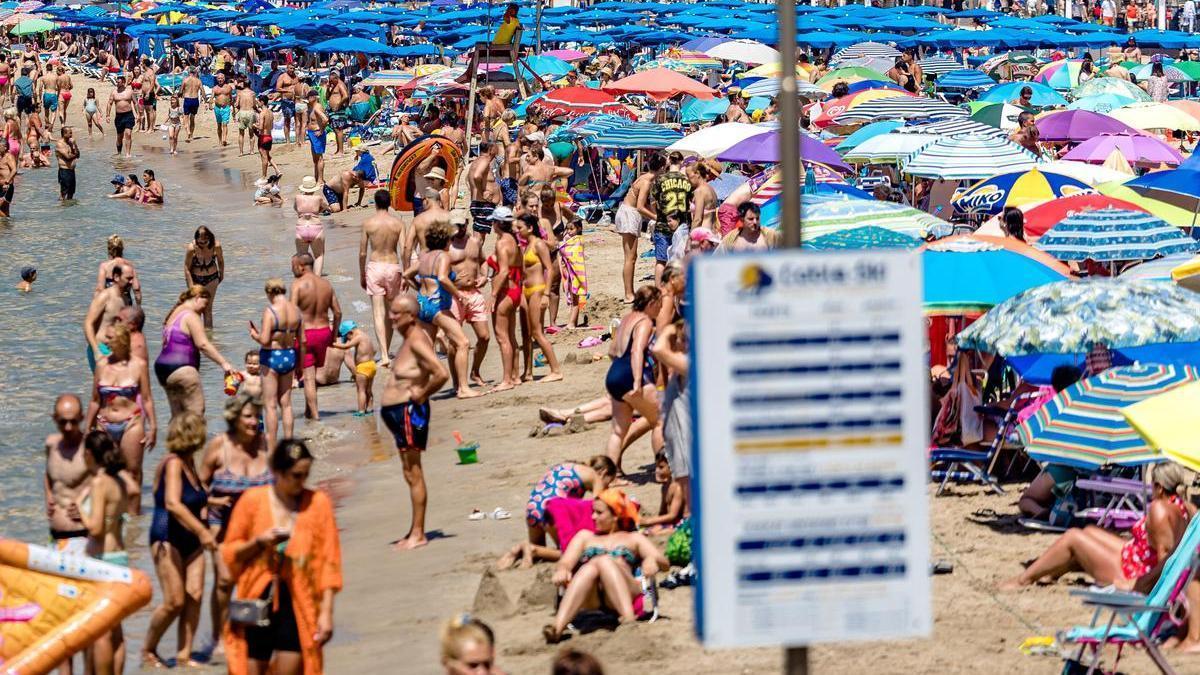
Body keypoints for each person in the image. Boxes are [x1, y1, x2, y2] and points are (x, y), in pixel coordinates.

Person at [220, 439, 341, 675]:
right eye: (296, 475)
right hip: (256, 598)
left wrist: (326, 613)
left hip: (298, 601)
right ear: (277, 471)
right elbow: (229, 552)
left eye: (305, 475)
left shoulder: (317, 504)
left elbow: (329, 561)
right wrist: (259, 542)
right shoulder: (252, 502)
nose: (302, 482)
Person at [1002, 463, 1193, 591]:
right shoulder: (1186, 505)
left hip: (1136, 575)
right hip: (1138, 557)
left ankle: (1023, 580)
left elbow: (1167, 561)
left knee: (1074, 537)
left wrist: (1136, 585)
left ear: (1159, 487)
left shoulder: (1160, 510)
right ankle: (1050, 572)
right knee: (1091, 532)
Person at [199, 393, 272, 659]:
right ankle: (219, 636)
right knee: (224, 582)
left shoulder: (265, 444)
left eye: (257, 416)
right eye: (248, 416)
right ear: (234, 418)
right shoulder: (219, 446)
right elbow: (197, 489)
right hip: (223, 526)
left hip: (259, 528)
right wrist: (207, 512)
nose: (255, 422)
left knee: (257, 583)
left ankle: (250, 632)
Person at [543, 489, 668, 643]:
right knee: (593, 565)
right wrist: (562, 570)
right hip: (592, 595)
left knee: (602, 561)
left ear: (615, 515)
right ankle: (557, 628)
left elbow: (665, 564)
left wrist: (651, 559)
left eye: (599, 513)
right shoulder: (584, 536)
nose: (592, 517)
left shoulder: (633, 538)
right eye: (593, 512)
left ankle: (628, 619)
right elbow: (566, 561)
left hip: (626, 590)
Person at [142, 412, 215, 670]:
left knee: (194, 595)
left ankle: (184, 655)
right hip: (167, 535)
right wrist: (204, 532)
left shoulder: (189, 462)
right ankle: (148, 649)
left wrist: (214, 504)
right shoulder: (172, 463)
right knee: (174, 601)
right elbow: (173, 503)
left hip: (191, 537)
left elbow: (196, 497)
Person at [380, 294, 449, 550]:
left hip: (409, 412)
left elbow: (441, 373)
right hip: (400, 414)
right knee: (409, 473)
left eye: (396, 313)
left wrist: (422, 393)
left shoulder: (418, 340)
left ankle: (419, 534)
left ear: (410, 316)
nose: (391, 317)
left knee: (414, 473)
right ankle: (414, 530)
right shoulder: (409, 340)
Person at [406, 220, 482, 398]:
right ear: (446, 239)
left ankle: (418, 388)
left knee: (428, 347)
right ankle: (463, 388)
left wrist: (420, 289)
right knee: (462, 343)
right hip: (437, 305)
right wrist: (460, 295)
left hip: (423, 303)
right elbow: (442, 277)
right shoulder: (443, 256)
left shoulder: (424, 257)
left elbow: (406, 275)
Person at [85, 323, 155, 514]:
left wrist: (153, 427)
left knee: (132, 472)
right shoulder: (101, 365)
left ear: (122, 340)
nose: (105, 341)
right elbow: (94, 400)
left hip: (131, 423)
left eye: (109, 338)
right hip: (104, 423)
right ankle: (109, 516)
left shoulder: (138, 365)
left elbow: (147, 399)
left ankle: (133, 520)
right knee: (103, 472)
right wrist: (86, 428)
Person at [498, 456, 616, 569]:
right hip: (553, 508)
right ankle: (530, 549)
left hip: (533, 507)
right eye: (608, 482)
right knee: (572, 553)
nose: (607, 486)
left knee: (542, 554)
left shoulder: (568, 467)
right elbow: (599, 505)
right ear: (604, 473)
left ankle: (520, 550)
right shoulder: (594, 475)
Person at [78, 431, 130, 675]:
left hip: (101, 561)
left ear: (89, 454)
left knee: (100, 632)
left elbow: (96, 529)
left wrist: (80, 509)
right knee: (116, 631)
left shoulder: (99, 482)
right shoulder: (119, 480)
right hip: (120, 558)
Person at [604, 286, 663, 480]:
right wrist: (638, 380)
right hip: (631, 374)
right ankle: (662, 470)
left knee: (618, 431)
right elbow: (637, 350)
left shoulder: (627, 319)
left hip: (614, 374)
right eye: (659, 304)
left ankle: (611, 477)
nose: (661, 308)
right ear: (651, 303)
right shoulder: (644, 321)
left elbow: (612, 351)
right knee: (659, 421)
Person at [155, 285, 236, 418]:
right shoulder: (190, 315)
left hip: (163, 369)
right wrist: (224, 363)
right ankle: (195, 439)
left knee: (178, 417)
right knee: (196, 413)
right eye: (205, 305)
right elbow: (203, 344)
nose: (205, 311)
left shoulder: (173, 314)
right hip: (181, 367)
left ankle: (173, 438)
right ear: (198, 298)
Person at [250, 277, 303, 450]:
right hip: (290, 356)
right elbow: (303, 340)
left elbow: (265, 340)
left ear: (269, 292)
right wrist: (300, 364)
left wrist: (254, 334)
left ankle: (272, 447)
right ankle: (289, 443)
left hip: (272, 356)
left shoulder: (270, 311)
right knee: (286, 404)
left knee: (270, 405)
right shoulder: (295, 311)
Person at [514, 214, 564, 383]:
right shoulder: (527, 246)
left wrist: (546, 294)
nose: (517, 231)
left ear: (529, 228)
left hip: (537, 290)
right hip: (526, 290)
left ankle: (555, 369)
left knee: (537, 332)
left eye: (520, 228)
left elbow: (549, 269)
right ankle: (528, 372)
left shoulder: (539, 244)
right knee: (526, 333)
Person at [291, 254, 341, 420]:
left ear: (301, 266)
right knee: (311, 374)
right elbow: (338, 312)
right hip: (324, 332)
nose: (292, 269)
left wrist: (289, 338)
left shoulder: (297, 285)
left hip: (306, 334)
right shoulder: (326, 284)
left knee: (309, 378)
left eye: (293, 266)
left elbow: (291, 314)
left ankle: (315, 416)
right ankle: (308, 411)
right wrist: (334, 335)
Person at [360, 189, 407, 365]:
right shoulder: (398, 223)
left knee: (378, 312)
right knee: (391, 312)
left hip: (375, 266)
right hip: (393, 266)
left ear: (376, 202)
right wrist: (407, 272)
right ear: (389, 203)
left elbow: (363, 252)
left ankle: (385, 355)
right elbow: (404, 250)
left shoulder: (368, 223)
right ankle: (391, 350)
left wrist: (361, 273)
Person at [651, 319, 691, 521]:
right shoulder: (682, 365)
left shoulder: (691, 363)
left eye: (679, 340)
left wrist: (668, 329)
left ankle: (689, 527)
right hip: (677, 432)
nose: (675, 343)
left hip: (684, 433)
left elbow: (658, 349)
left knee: (687, 486)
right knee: (683, 481)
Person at [45, 394, 91, 556]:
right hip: (55, 536)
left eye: (74, 421)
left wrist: (88, 505)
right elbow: (49, 474)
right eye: (63, 422)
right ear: (54, 419)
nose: (69, 427)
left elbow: (114, 484)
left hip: (84, 535)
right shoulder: (51, 444)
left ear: (82, 418)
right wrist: (49, 496)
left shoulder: (90, 449)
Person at [449, 210, 491, 385]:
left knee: (484, 336)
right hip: (454, 295)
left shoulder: (474, 242)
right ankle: (457, 382)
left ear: (467, 222)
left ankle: (475, 371)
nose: (459, 228)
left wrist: (483, 276)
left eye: (462, 224)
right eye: (456, 225)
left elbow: (483, 261)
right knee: (454, 342)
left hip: (473, 292)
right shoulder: (446, 246)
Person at [489, 207, 524, 391]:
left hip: (506, 292)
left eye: (493, 221)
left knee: (502, 338)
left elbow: (503, 272)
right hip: (516, 290)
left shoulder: (502, 243)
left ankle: (506, 380)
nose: (492, 225)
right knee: (511, 336)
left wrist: (493, 295)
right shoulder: (515, 240)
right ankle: (515, 376)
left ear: (498, 223)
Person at [84, 264, 135, 372]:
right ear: (116, 277)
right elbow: (88, 323)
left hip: (116, 351)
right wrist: (96, 350)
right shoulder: (104, 296)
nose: (131, 282)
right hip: (101, 348)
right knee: (105, 386)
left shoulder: (126, 300)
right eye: (128, 278)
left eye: (132, 279)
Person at [332, 320, 377, 416]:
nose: (348, 340)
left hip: (363, 367)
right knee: (368, 390)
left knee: (360, 390)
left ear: (350, 332)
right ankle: (370, 409)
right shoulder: (366, 336)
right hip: (372, 365)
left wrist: (333, 344)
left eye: (347, 337)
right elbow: (375, 350)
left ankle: (361, 411)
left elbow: (346, 346)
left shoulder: (358, 337)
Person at [184, 226, 223, 329]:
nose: (202, 245)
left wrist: (221, 274)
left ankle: (209, 338)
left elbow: (220, 260)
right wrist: (191, 286)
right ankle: (196, 337)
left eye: (205, 243)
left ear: (209, 239)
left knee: (208, 309)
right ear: (196, 240)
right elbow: (186, 268)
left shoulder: (216, 245)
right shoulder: (192, 248)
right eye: (200, 243)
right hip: (196, 279)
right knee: (196, 308)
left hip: (212, 278)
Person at [294, 177, 330, 276]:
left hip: (301, 228)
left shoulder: (298, 198)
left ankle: (304, 278)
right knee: (319, 256)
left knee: (302, 256)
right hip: (315, 227)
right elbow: (327, 207)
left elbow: (296, 209)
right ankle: (317, 278)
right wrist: (319, 211)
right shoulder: (318, 198)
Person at [95, 234, 142, 306]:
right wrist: (138, 307)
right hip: (126, 304)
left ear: (109, 250)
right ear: (122, 249)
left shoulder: (104, 266)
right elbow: (137, 289)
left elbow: (99, 290)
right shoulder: (129, 266)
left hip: (110, 304)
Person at [106, 75, 135, 158]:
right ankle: (119, 153)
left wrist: (139, 114)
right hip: (119, 116)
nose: (117, 83)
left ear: (123, 82)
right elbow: (110, 103)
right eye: (116, 82)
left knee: (128, 134)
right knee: (119, 136)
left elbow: (135, 102)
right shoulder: (114, 92)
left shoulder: (129, 91)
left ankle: (128, 153)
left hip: (128, 115)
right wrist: (107, 115)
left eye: (118, 82)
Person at [305, 91, 330, 183]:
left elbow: (325, 119)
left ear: (314, 97)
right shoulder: (311, 107)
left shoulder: (316, 108)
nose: (307, 99)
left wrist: (321, 130)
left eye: (309, 97)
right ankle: (316, 177)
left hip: (317, 133)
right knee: (315, 158)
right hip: (311, 133)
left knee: (319, 157)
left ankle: (320, 180)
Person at [255, 94, 280, 179]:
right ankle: (277, 170)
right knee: (268, 156)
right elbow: (271, 126)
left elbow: (261, 127)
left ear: (262, 102)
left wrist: (255, 125)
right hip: (269, 136)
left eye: (258, 101)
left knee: (264, 157)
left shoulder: (262, 113)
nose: (257, 103)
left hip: (263, 137)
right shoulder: (270, 112)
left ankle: (263, 176)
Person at [275, 63, 299, 145]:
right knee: (287, 120)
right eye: (290, 68)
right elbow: (278, 88)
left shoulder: (296, 77)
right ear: (287, 68)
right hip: (286, 101)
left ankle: (297, 140)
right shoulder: (282, 76)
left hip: (296, 100)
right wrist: (288, 91)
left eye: (293, 68)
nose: (292, 70)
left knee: (297, 120)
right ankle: (287, 141)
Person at [180, 68, 203, 143]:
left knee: (186, 117)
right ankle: (192, 135)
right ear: (195, 72)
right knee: (192, 118)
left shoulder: (185, 80)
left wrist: (180, 94)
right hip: (195, 100)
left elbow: (180, 91)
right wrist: (206, 101)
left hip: (187, 99)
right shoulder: (198, 81)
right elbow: (203, 91)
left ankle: (188, 133)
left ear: (189, 72)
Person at [54, 125, 78, 201]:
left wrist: (74, 145)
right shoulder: (60, 144)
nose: (71, 135)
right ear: (64, 134)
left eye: (71, 133)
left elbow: (78, 154)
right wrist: (75, 154)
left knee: (71, 193)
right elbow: (67, 158)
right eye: (70, 133)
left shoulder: (71, 143)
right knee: (63, 193)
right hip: (64, 171)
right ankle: (62, 208)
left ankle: (70, 211)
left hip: (72, 171)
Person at [211, 72, 233, 147]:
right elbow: (212, 98)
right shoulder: (215, 88)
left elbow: (231, 97)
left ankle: (224, 139)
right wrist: (210, 104)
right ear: (217, 79)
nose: (220, 80)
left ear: (224, 79)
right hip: (217, 108)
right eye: (219, 78)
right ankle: (220, 140)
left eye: (221, 78)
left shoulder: (228, 87)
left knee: (225, 124)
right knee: (219, 125)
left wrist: (233, 107)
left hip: (226, 108)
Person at [0, 130, 16, 217]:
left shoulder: (9, 157)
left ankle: (7, 222)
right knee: (4, 210)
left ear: (5, 147)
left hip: (6, 187)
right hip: (0, 187)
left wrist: (7, 181)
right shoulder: (1, 157)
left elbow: (14, 170)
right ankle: (7, 227)